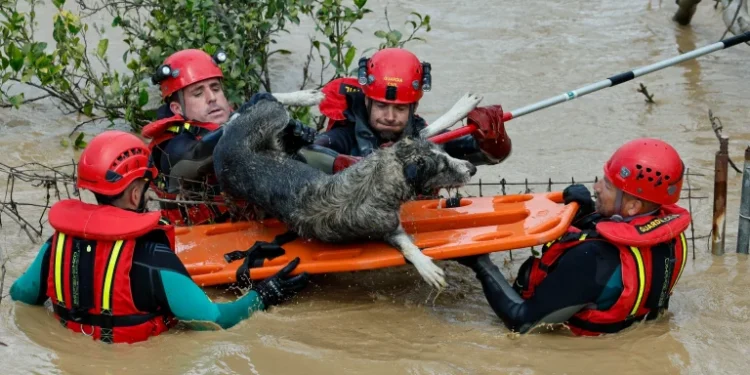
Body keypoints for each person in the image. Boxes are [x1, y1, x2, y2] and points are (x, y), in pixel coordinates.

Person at [9, 130, 309, 344]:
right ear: (136, 192)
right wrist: (265, 296)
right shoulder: (152, 257)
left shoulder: (57, 246)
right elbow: (215, 321)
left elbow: (21, 295)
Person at [455, 138, 690, 336]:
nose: (596, 187)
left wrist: (480, 263)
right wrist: (587, 214)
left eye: (607, 185)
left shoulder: (592, 259)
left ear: (632, 207)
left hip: (581, 347)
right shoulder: (671, 234)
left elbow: (522, 323)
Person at [141, 49, 316, 225]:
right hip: (201, 238)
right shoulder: (172, 148)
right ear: (177, 109)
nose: (211, 98)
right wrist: (245, 117)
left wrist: (289, 147)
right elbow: (200, 156)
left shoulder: (239, 123)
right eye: (198, 93)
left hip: (253, 228)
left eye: (215, 89)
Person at [298, 48, 512, 174]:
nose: (390, 117)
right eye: (381, 106)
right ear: (367, 102)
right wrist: (351, 165)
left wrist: (493, 141)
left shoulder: (425, 135)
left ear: (414, 107)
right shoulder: (343, 136)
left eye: (400, 108)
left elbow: (488, 156)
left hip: (417, 227)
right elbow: (306, 153)